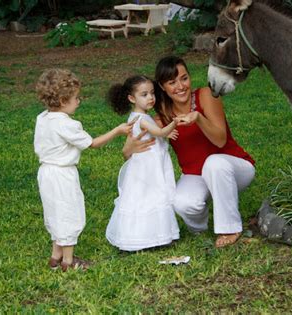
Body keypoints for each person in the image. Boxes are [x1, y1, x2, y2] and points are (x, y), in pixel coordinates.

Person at [124, 56, 256, 248]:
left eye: (184, 78)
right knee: (182, 203)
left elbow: (220, 140)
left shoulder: (206, 96)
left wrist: (199, 119)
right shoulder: (161, 118)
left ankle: (230, 227)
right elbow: (130, 152)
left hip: (234, 168)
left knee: (214, 163)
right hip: (196, 174)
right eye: (172, 82)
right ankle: (200, 228)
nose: (180, 86)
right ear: (162, 87)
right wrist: (129, 148)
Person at [34, 68, 134, 271]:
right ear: (63, 101)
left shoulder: (42, 118)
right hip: (63, 174)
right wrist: (117, 130)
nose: (78, 101)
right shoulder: (67, 125)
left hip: (45, 173)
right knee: (70, 213)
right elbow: (93, 143)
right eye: (75, 98)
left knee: (55, 213)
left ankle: (55, 256)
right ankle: (68, 262)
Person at [105, 75, 183, 251]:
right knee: (152, 196)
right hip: (148, 166)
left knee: (142, 197)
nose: (151, 98)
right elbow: (160, 132)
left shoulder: (136, 117)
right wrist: (174, 123)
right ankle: (149, 235)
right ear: (132, 98)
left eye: (152, 93)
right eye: (144, 94)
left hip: (144, 163)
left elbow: (157, 133)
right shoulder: (142, 119)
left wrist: (164, 132)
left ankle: (147, 235)